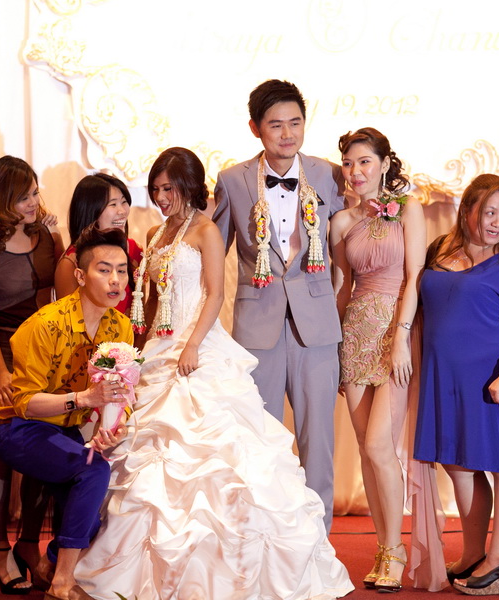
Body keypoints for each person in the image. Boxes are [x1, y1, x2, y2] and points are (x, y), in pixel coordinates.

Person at [74, 147, 354, 600]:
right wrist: (140, 352)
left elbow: (215, 294)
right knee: (148, 455)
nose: (161, 197)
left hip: (199, 345)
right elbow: (151, 301)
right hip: (160, 346)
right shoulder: (155, 232)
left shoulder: (205, 229)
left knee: (218, 452)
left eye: (168, 188)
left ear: (188, 186)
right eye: (156, 189)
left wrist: (192, 345)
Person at [212, 80, 344, 531]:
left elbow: (347, 241)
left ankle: (319, 544)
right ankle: (265, 539)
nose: (287, 134)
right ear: (255, 128)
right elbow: (214, 250)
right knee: (260, 441)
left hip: (317, 327)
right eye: (275, 125)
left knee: (318, 442)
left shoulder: (329, 175)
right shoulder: (232, 180)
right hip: (256, 327)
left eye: (295, 123)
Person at [414, 173, 499, 595]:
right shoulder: (440, 248)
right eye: (489, 212)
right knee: (460, 463)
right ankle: (474, 552)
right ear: (467, 210)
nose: (497, 222)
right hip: (450, 379)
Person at [0, 226, 132, 600]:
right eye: (104, 270)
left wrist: (113, 426)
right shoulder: (45, 324)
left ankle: (48, 564)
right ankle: (62, 582)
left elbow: (121, 393)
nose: (116, 280)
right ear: (81, 276)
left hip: (64, 431)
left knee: (102, 505)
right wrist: (84, 399)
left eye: (122, 270)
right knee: (94, 471)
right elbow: (24, 402)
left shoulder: (121, 327)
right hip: (20, 428)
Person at [330, 128, 430, 592]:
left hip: (396, 332)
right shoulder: (340, 222)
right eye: (349, 163)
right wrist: (333, 347)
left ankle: (396, 549)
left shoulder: (409, 209)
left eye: (365, 161)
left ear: (385, 163)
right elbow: (342, 289)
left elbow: (415, 276)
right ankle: (383, 547)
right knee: (366, 453)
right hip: (354, 334)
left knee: (378, 447)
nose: (356, 172)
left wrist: (402, 338)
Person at [0, 156, 64, 594]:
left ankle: (28, 544)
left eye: (35, 193)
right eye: (24, 197)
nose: (33, 202)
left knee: (43, 448)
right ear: (3, 199)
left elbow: (61, 295)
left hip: (41, 353)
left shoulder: (47, 235)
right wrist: (2, 371)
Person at [54, 173, 143, 314]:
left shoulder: (134, 249)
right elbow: (67, 318)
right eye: (113, 204)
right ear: (91, 210)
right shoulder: (71, 262)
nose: (122, 211)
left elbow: (140, 309)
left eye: (124, 202)